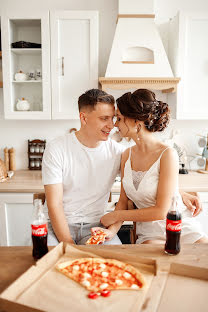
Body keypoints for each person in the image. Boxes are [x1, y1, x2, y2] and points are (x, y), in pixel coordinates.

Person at [42, 88, 203, 246]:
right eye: (105, 118)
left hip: (97, 226)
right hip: (58, 227)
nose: (112, 125)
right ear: (83, 118)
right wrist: (69, 245)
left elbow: (151, 178)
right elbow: (54, 204)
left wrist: (178, 193)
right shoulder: (58, 148)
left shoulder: (118, 152)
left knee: (116, 262)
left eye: (115, 118)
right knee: (45, 261)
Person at [98, 89, 208, 244]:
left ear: (136, 122)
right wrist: (109, 232)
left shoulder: (167, 154)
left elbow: (161, 211)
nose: (115, 124)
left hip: (179, 227)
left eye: (119, 118)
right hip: (150, 234)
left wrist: (117, 215)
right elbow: (123, 202)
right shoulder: (126, 155)